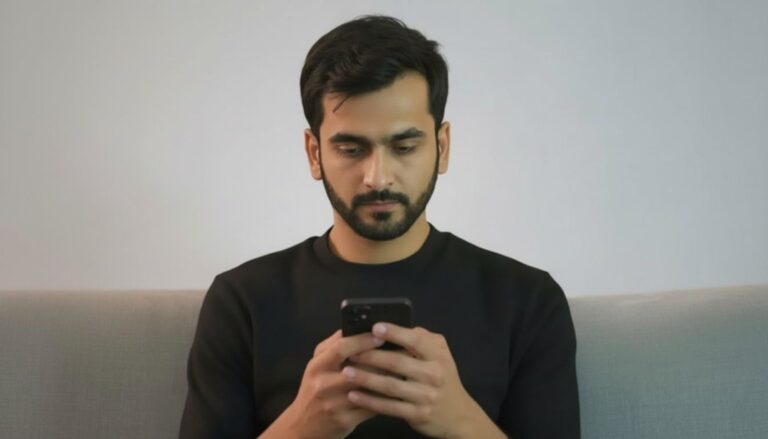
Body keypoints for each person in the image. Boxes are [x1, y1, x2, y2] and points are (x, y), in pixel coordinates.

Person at [179, 15, 580, 439]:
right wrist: (304, 425)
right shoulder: (242, 301)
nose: (378, 177)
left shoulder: (528, 300)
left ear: (442, 148)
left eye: (404, 146)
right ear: (314, 153)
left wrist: (460, 420)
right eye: (352, 148)